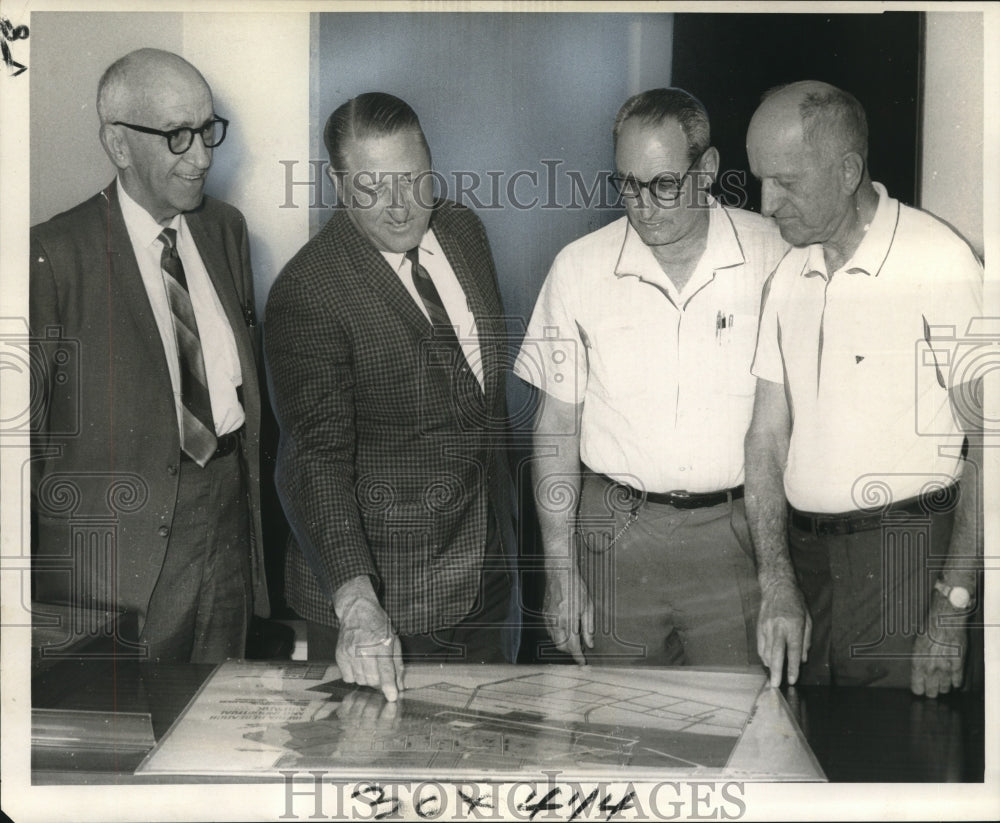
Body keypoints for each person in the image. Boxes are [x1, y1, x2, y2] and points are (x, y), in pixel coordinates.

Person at [514, 88, 787, 667]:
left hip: (734, 537)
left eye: (663, 184)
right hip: (615, 535)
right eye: (627, 184)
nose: (642, 206)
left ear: (706, 170)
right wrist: (560, 571)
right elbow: (556, 428)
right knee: (616, 713)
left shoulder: (774, 255)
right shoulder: (578, 267)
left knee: (734, 712)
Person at [265, 92, 518, 702]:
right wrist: (357, 602)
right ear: (338, 184)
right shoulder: (309, 290)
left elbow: (484, 405)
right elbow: (314, 460)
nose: (401, 206)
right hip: (386, 606)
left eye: (412, 178)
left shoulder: (462, 230)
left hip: (487, 572)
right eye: (373, 187)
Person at [744, 80, 983, 695]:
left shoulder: (940, 262)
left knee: (900, 750)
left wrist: (952, 606)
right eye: (761, 180)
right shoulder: (788, 274)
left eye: (785, 182)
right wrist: (777, 579)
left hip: (905, 564)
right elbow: (766, 438)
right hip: (806, 566)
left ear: (848, 171)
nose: (766, 204)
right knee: (803, 743)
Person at [30, 48, 269, 662]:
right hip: (119, 563)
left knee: (221, 703)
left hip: (227, 523)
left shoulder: (225, 229)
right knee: (135, 713)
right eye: (177, 135)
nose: (202, 157)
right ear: (118, 143)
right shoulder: (53, 256)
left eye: (208, 130)